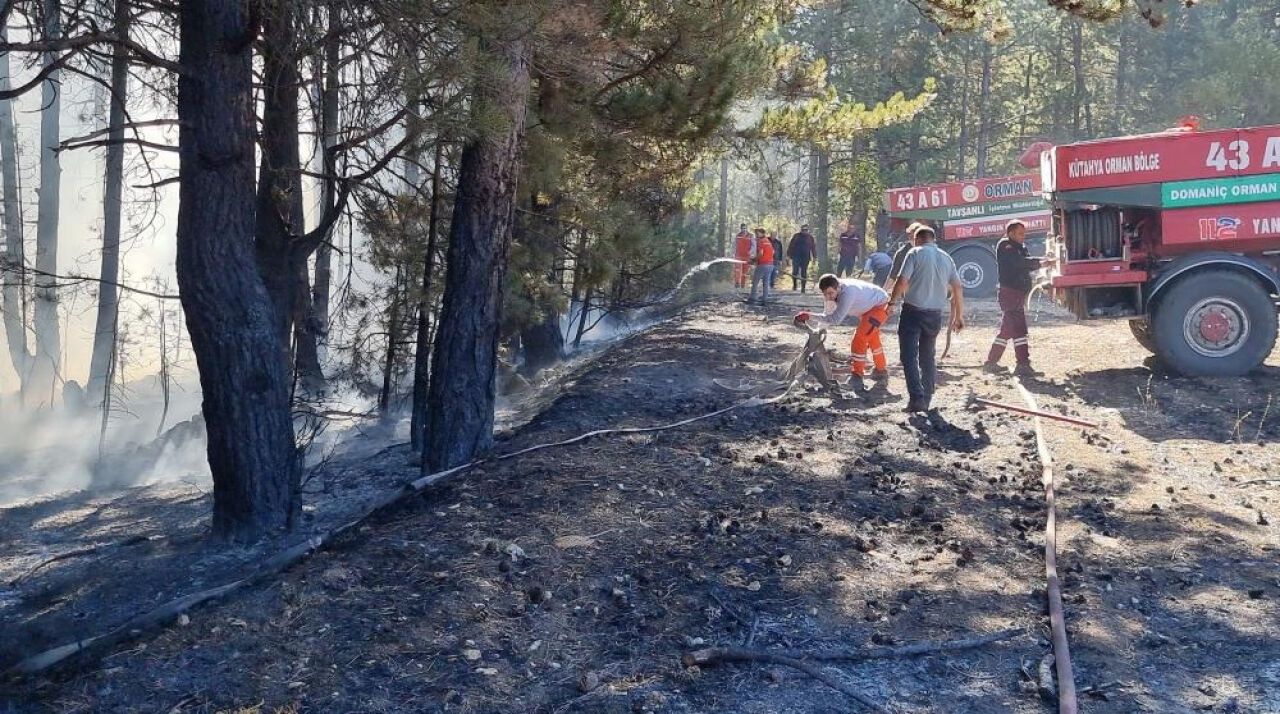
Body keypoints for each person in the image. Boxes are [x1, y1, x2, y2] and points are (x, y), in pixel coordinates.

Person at [887, 225, 964, 413]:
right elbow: (957, 287)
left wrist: (892, 303)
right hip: (934, 314)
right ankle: (927, 396)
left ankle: (916, 398)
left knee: (908, 356)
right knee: (928, 355)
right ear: (934, 239)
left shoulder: (914, 252)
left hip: (913, 312)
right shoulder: (947, 258)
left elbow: (902, 280)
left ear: (917, 238)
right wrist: (959, 316)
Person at [794, 274, 890, 388]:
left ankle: (857, 375)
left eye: (830, 293)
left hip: (880, 306)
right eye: (825, 294)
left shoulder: (847, 293)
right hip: (868, 309)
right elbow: (827, 315)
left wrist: (809, 316)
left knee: (859, 339)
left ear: (838, 287)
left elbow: (835, 319)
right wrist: (817, 333)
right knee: (872, 339)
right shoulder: (831, 294)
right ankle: (881, 370)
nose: (828, 297)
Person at [984, 219, 1044, 376]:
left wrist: (1041, 263)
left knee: (1013, 329)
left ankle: (1004, 363)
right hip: (1010, 293)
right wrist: (1042, 263)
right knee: (1014, 329)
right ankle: (1016, 363)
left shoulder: (1019, 246)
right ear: (1010, 233)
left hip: (1017, 293)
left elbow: (1026, 263)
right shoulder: (1006, 245)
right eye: (1020, 233)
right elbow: (1020, 263)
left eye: (1024, 234)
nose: (1023, 237)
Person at [748, 227, 775, 305]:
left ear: (762, 233)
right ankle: (765, 300)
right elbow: (773, 252)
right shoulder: (768, 241)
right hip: (770, 265)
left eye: (757, 233)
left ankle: (752, 298)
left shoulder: (761, 241)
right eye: (755, 233)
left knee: (755, 281)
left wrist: (753, 260)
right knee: (766, 283)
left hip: (763, 265)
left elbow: (761, 254)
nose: (756, 234)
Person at [788, 224, 818, 293]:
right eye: (803, 230)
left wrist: (814, 257)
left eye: (806, 230)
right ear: (801, 230)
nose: (804, 231)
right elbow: (791, 245)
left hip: (805, 257)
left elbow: (813, 248)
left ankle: (803, 288)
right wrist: (788, 255)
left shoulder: (810, 237)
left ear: (808, 230)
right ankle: (794, 285)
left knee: (804, 272)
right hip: (796, 256)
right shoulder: (796, 236)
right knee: (795, 271)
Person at [733, 224, 754, 289]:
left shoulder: (751, 236)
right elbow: (734, 245)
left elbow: (754, 245)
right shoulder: (738, 235)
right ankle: (737, 283)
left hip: (747, 256)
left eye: (745, 228)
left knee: (745, 272)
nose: (743, 229)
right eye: (742, 228)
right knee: (737, 270)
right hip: (738, 255)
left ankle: (742, 285)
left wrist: (750, 252)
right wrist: (733, 253)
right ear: (740, 229)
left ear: (747, 228)